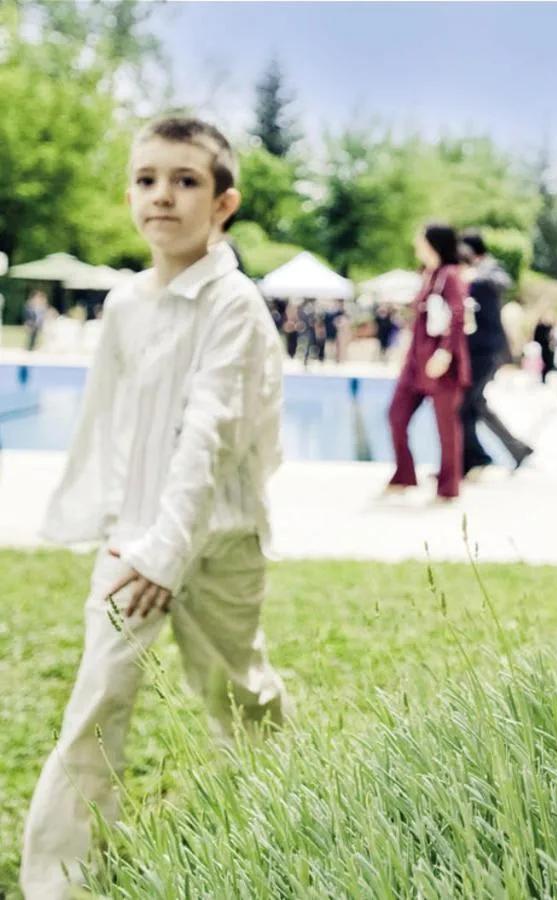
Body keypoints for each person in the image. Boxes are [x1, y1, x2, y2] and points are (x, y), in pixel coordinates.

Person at [21, 115, 292, 899]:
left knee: (238, 691)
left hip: (222, 539)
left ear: (223, 203)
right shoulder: (124, 305)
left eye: (185, 181)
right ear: (130, 196)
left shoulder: (234, 304)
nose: (162, 196)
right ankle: (60, 882)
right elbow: (112, 425)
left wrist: (171, 552)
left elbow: (209, 430)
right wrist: (122, 528)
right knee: (96, 699)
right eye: (146, 180)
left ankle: (284, 816)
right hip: (134, 543)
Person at [386, 222, 470, 501]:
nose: (416, 245)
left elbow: (457, 315)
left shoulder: (450, 276)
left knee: (446, 428)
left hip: (440, 365)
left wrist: (445, 352)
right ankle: (404, 474)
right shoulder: (428, 275)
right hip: (416, 365)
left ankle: (448, 488)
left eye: (421, 240)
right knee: (396, 415)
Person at [458, 232, 532, 476]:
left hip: (487, 350)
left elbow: (502, 281)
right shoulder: (472, 274)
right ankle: (516, 450)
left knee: (467, 403)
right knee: (476, 404)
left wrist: (474, 276)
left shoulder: (487, 271)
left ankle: (477, 458)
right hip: (481, 349)